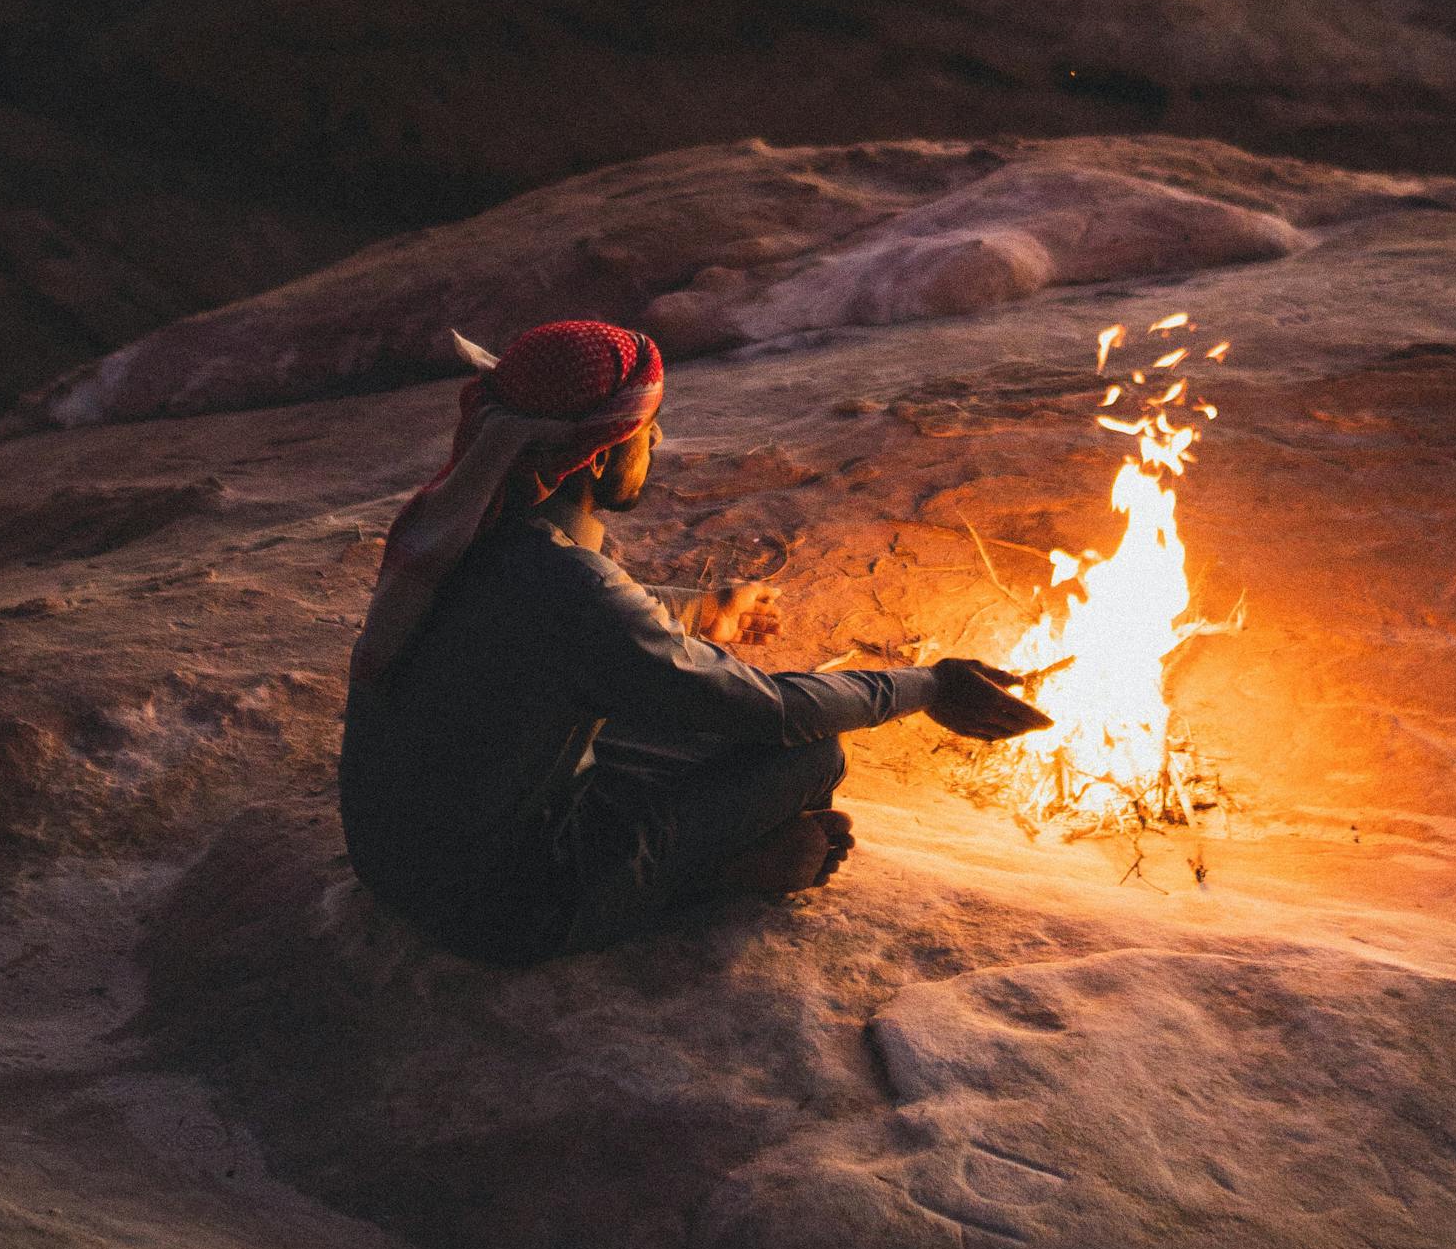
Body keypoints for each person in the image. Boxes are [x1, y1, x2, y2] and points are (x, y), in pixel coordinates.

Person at [339, 317, 1048, 965]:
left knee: (638, 719)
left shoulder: (462, 533)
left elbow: (589, 631)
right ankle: (716, 876)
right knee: (806, 754)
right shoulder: (565, 583)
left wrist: (708, 611)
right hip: (501, 910)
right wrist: (928, 685)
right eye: (649, 430)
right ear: (595, 455)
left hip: (392, 857)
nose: (658, 444)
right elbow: (770, 709)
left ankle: (685, 857)